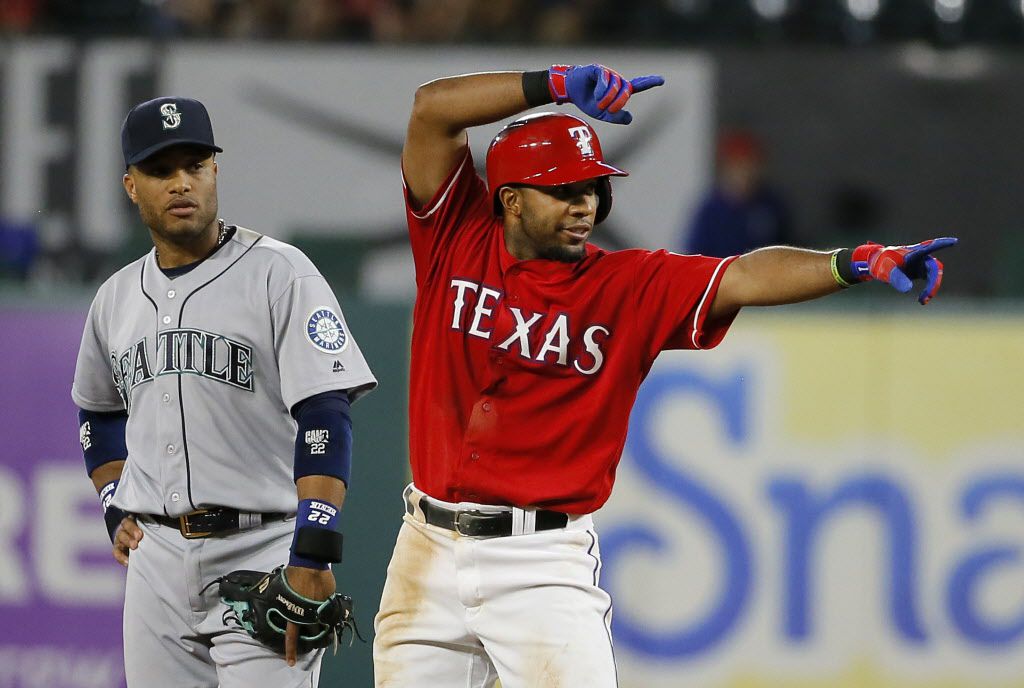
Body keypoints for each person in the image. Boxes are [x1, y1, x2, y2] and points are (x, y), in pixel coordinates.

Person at [371, 63, 956, 687]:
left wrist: (854, 262)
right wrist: (556, 83)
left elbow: (744, 276)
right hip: (425, 548)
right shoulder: (453, 235)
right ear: (510, 199)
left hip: (539, 564)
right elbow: (433, 108)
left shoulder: (627, 285)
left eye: (593, 189)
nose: (585, 205)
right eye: (564, 190)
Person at [72, 96, 377, 687]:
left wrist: (312, 550)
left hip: (261, 548)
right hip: (156, 560)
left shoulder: (280, 273)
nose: (181, 183)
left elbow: (325, 415)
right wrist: (113, 503)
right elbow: (97, 411)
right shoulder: (114, 297)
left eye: (195, 165)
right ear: (131, 186)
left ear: (216, 169)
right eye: (161, 171)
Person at [683, 128, 794, 257]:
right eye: (738, 165)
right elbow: (695, 256)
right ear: (726, 168)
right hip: (725, 275)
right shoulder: (711, 211)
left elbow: (789, 251)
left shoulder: (772, 205)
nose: (744, 172)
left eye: (749, 165)